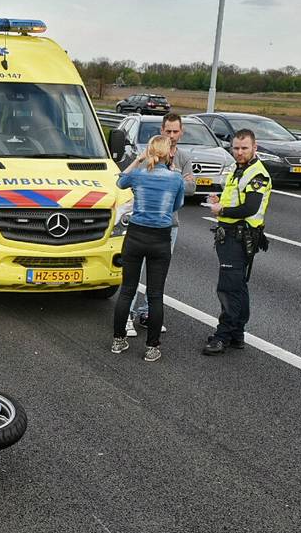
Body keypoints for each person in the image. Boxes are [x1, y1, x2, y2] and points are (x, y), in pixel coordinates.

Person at [110, 135, 186, 362]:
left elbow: (120, 182)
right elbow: (177, 205)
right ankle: (152, 347)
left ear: (150, 151)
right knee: (155, 294)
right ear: (167, 153)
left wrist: (138, 160)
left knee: (127, 290)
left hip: (135, 235)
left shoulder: (138, 175)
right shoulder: (176, 179)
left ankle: (118, 339)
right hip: (160, 238)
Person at [126, 113, 195, 337]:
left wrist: (173, 180)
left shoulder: (184, 157)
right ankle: (127, 314)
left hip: (169, 226)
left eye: (176, 131)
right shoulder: (150, 154)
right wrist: (175, 181)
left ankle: (147, 314)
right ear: (162, 131)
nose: (172, 135)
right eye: (168, 131)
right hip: (143, 223)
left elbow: (191, 188)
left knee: (157, 275)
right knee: (133, 273)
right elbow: (131, 180)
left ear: (181, 132)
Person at [203, 128, 271, 355]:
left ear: (255, 147)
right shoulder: (237, 168)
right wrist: (218, 200)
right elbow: (234, 198)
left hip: (240, 237)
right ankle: (237, 334)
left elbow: (250, 207)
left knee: (228, 288)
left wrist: (222, 209)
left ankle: (222, 336)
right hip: (230, 234)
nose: (239, 152)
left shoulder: (258, 174)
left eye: (244, 148)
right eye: (236, 148)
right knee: (238, 286)